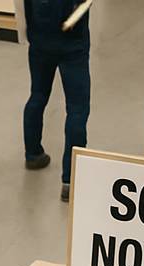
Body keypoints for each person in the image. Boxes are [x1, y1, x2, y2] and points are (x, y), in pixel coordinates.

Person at [21, 0, 91, 203]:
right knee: (77, 110)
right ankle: (70, 179)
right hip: (73, 44)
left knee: (37, 95)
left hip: (40, 40)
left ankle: (33, 154)